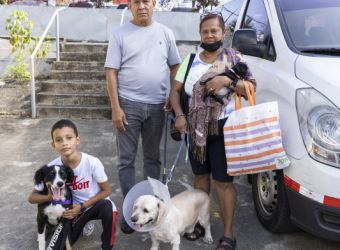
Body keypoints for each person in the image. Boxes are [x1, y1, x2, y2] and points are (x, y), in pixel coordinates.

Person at [170, 13, 256, 250]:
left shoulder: (234, 58)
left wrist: (226, 82)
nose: (209, 35)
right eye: (205, 31)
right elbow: (175, 92)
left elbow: (250, 87)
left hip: (224, 129)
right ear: (200, 35)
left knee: (224, 183)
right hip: (195, 131)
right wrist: (179, 115)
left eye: (214, 31)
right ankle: (199, 222)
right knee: (200, 178)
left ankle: (228, 234)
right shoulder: (189, 61)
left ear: (223, 33)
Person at [104, 0, 181, 234]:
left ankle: (152, 211)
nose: (142, 6)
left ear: (154, 4)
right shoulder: (119, 34)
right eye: (136, 2)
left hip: (157, 106)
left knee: (152, 159)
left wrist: (172, 94)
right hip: (128, 105)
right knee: (126, 160)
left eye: (146, 1)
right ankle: (131, 213)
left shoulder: (166, 33)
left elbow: (175, 65)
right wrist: (116, 108)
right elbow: (111, 72)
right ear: (130, 6)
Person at [28, 119, 117, 250]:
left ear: (77, 140)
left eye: (69, 138)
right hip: (71, 213)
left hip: (92, 206)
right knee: (55, 248)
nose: (64, 143)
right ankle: (80, 224)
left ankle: (107, 247)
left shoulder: (92, 162)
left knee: (108, 207)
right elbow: (31, 197)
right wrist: (49, 197)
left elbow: (107, 191)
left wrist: (82, 206)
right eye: (59, 140)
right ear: (53, 145)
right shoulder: (51, 169)